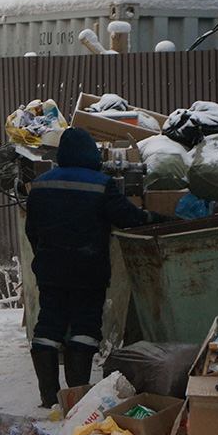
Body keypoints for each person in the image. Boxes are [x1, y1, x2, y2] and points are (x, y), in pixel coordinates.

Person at [25, 127, 167, 407]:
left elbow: (33, 231)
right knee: (84, 328)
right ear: (90, 153)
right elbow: (127, 217)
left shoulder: (40, 184)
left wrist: (46, 256)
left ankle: (48, 396)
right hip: (88, 272)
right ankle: (76, 396)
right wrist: (159, 218)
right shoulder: (101, 183)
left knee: (48, 328)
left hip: (50, 270)